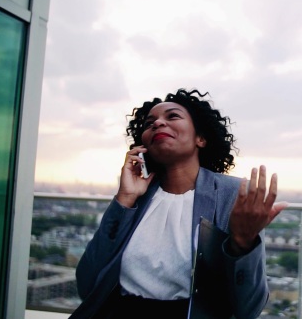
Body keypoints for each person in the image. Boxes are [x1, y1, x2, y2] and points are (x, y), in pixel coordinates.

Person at [70, 88, 288, 319]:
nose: (158, 124)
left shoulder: (232, 194)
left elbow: (248, 309)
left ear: (201, 139)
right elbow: (87, 283)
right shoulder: (137, 198)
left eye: (172, 116)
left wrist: (243, 244)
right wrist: (124, 200)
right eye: (149, 123)